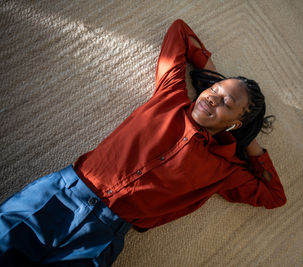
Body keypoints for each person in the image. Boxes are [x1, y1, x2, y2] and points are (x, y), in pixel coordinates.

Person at [0, 19, 286, 266]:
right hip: (62, 194)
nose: (212, 97)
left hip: (100, 237)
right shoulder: (171, 96)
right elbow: (180, 32)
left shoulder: (224, 169)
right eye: (214, 89)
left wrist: (247, 140)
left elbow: (274, 195)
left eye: (227, 102)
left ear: (235, 123)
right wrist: (213, 77)